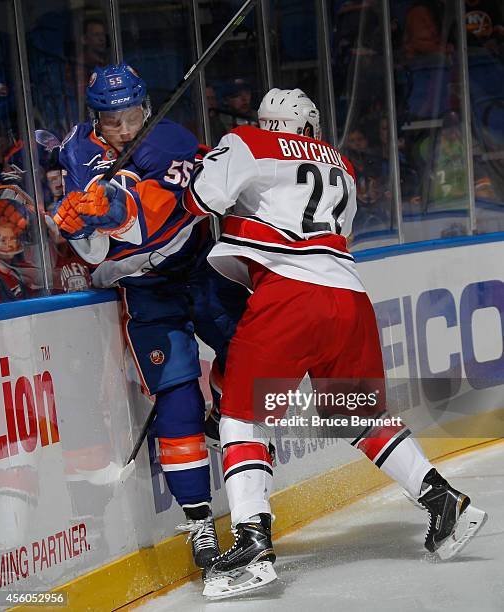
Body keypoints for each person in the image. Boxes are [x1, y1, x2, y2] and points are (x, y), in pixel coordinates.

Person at [183, 88, 488, 597]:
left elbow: (200, 197)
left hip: (288, 295)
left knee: (242, 415)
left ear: (267, 121)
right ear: (308, 127)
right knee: (357, 414)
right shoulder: (341, 164)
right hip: (348, 297)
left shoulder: (248, 140)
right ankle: (443, 500)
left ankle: (253, 540)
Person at [52, 63, 247, 569]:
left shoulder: (172, 140)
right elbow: (96, 255)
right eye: (110, 119)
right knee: (177, 396)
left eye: (131, 115)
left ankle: (225, 411)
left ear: (145, 106)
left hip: (200, 268)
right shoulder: (78, 152)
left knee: (250, 353)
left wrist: (116, 210)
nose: (122, 128)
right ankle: (201, 525)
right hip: (146, 291)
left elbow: (170, 214)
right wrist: (80, 228)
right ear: (96, 116)